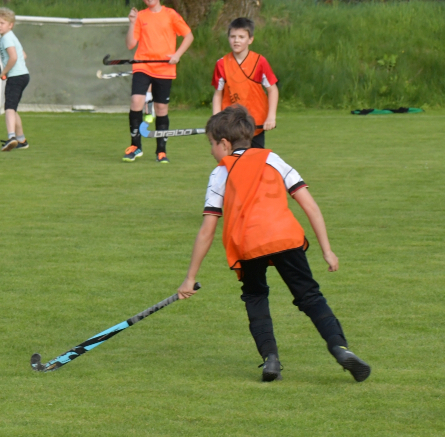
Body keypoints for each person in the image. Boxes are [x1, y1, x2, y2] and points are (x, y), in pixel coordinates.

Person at [176, 105, 370, 383]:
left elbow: (207, 230)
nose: (211, 151)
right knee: (310, 296)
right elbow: (310, 206)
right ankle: (339, 347)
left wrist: (190, 277)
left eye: (211, 144)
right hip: (286, 237)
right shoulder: (273, 159)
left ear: (224, 144)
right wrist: (327, 250)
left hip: (248, 244)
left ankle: (271, 359)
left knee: (255, 296)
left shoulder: (220, 173)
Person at [123, 0, 193, 164]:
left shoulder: (171, 15)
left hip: (164, 69)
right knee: (136, 101)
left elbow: (189, 36)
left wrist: (177, 55)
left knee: (161, 108)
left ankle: (161, 151)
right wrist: (132, 23)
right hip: (142, 66)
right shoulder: (140, 16)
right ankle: (135, 146)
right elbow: (130, 44)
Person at [211, 17, 278, 149]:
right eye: (233, 36)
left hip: (256, 124)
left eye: (241, 37)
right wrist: (216, 119)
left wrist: (271, 117)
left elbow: (273, 90)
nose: (236, 40)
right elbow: (218, 94)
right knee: (235, 160)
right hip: (232, 125)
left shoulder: (260, 62)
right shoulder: (221, 64)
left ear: (250, 39)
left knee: (256, 160)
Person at [0, 7, 30, 152]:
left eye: (2, 23)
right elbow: (23, 55)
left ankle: (11, 137)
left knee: (9, 108)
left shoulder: (7, 38)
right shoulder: (11, 37)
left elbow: (14, 57)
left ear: (10, 25)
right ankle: (21, 140)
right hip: (23, 75)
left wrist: (4, 72)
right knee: (12, 109)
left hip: (16, 76)